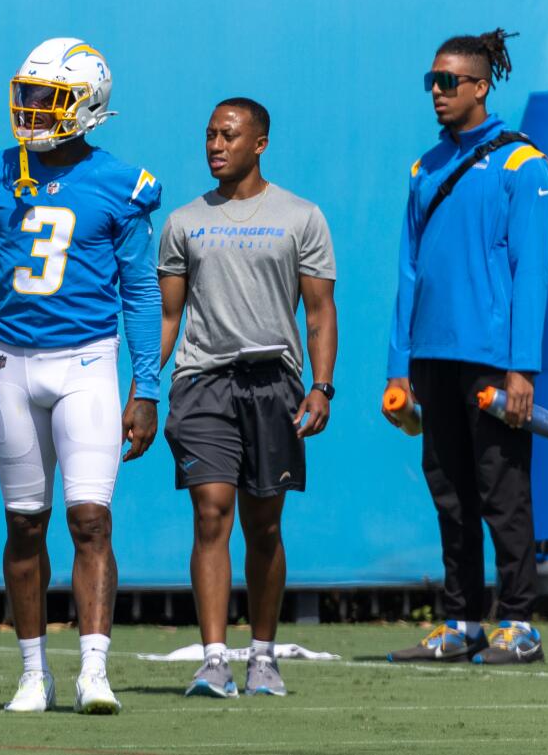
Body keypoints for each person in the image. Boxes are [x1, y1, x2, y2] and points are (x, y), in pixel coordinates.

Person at [0, 38, 161, 714]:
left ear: (87, 105)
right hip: (13, 365)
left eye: (47, 99)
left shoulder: (120, 184)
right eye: (26, 95)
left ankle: (95, 668)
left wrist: (148, 385)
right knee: (25, 525)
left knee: (90, 520)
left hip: (87, 364)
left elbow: (141, 294)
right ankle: (32, 671)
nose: (30, 110)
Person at [158, 98, 337, 698]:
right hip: (203, 381)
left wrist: (320, 384)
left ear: (259, 143)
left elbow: (319, 311)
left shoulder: (301, 215)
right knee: (211, 512)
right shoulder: (183, 221)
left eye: (228, 135)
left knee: (264, 525)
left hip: (275, 384)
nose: (215, 145)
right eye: (209, 134)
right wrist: (141, 387)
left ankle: (263, 657)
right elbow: (167, 315)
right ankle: (214, 659)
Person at [385, 30, 548, 665]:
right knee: (449, 491)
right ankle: (460, 623)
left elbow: (531, 274)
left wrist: (521, 371)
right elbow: (408, 272)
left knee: (500, 489)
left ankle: (519, 622)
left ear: (481, 87)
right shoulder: (423, 167)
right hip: (431, 358)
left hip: (492, 359)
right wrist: (398, 368)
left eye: (449, 82)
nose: (437, 92)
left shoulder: (523, 164)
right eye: (431, 81)